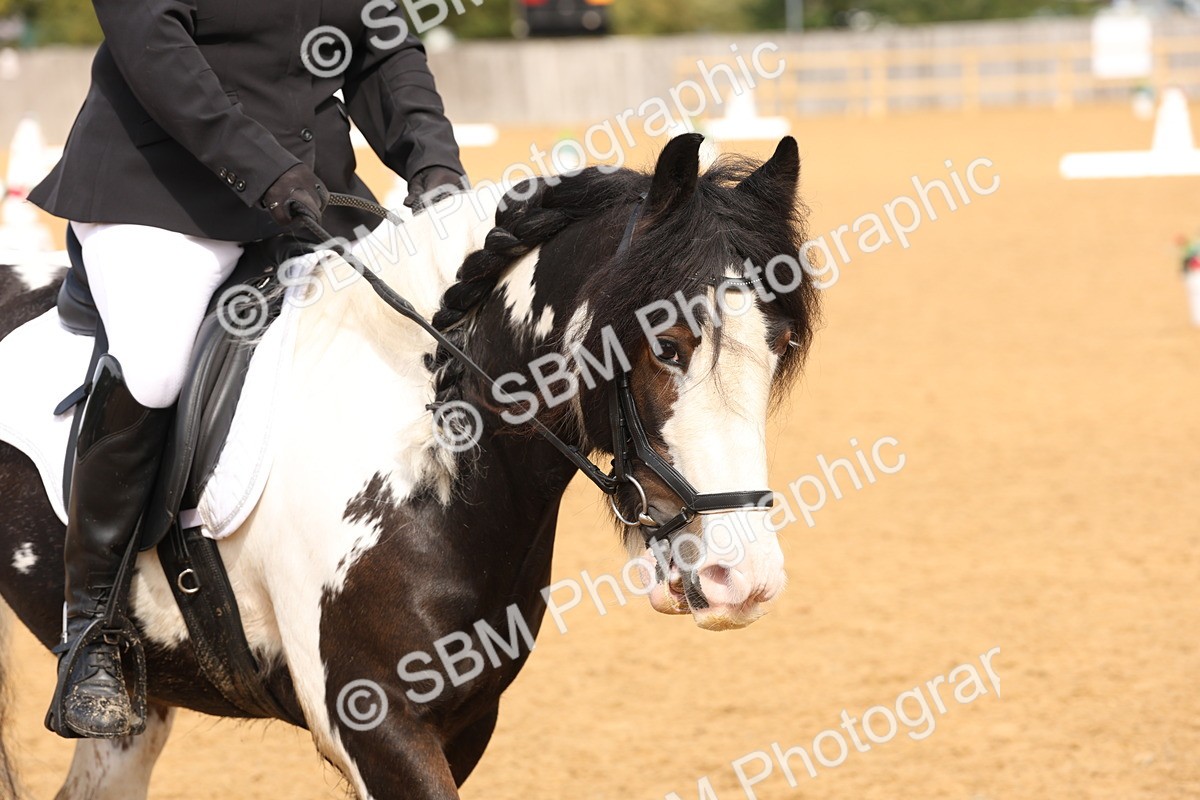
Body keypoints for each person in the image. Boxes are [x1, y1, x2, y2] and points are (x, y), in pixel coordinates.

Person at [28, 0, 467, 739]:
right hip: (161, 190)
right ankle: (93, 631)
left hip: (309, 196)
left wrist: (436, 168)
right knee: (157, 365)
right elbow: (156, 52)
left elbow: (382, 46)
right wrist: (262, 168)